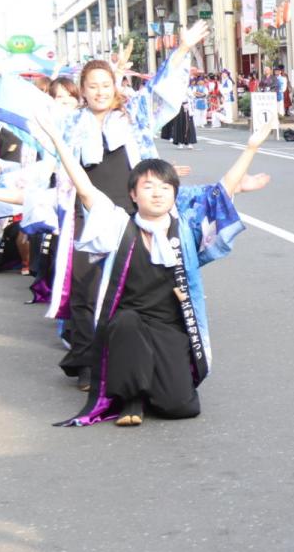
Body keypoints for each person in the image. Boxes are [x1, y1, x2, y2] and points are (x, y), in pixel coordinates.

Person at [34, 105, 273, 426]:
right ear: (132, 194)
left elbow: (222, 191)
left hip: (170, 325)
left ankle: (153, 387)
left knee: (181, 407)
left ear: (175, 193)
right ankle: (130, 397)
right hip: (127, 322)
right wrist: (57, 140)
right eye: (148, 187)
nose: (157, 193)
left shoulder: (184, 227)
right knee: (127, 324)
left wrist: (252, 147)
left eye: (165, 187)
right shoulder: (119, 225)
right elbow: (86, 189)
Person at [52, 23, 206, 388]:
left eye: (106, 85)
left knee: (134, 287)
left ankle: (137, 357)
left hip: (132, 211)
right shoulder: (70, 121)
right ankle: (89, 362)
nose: (101, 92)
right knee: (85, 287)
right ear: (83, 91)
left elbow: (161, 92)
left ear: (115, 86)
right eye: (93, 86)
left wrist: (182, 50)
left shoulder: (134, 113)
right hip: (86, 210)